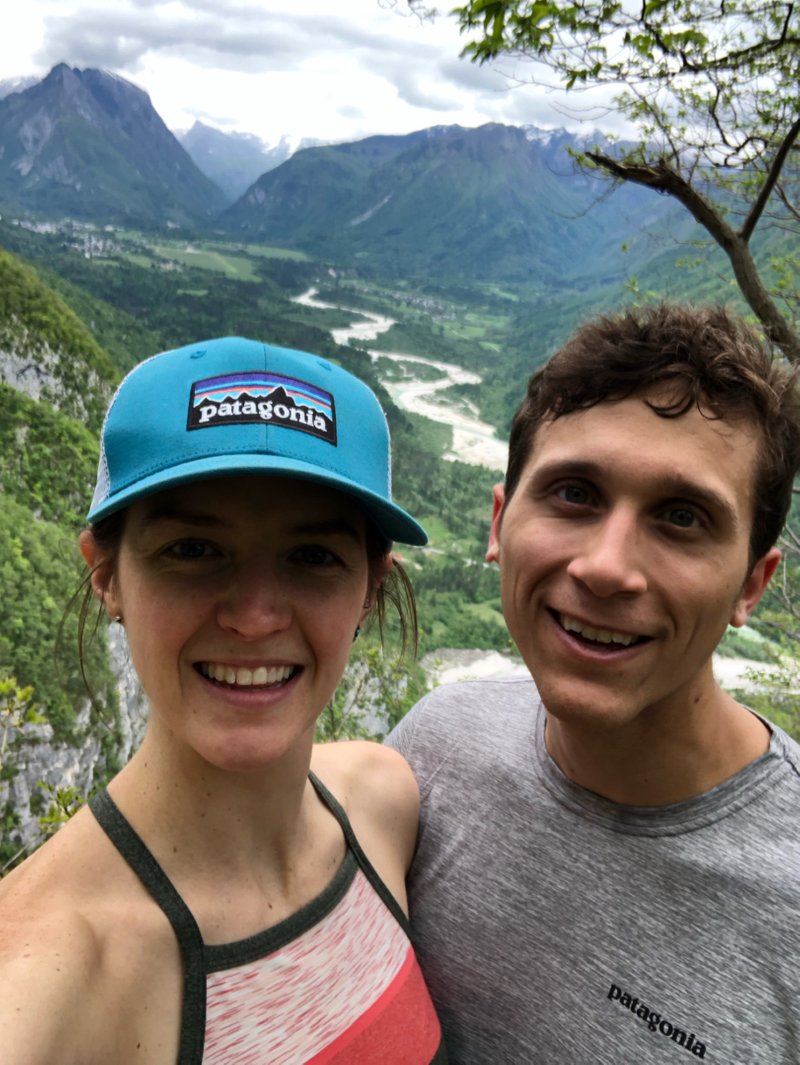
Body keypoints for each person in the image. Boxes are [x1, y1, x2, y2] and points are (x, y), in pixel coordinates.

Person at [0, 336, 447, 1064]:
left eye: (312, 557)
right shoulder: (42, 982)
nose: (255, 615)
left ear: (370, 585)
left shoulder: (383, 805)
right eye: (193, 549)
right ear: (106, 574)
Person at [387, 303, 800, 1063]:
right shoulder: (432, 750)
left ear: (752, 583)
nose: (606, 566)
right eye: (575, 492)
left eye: (682, 516)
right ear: (500, 522)